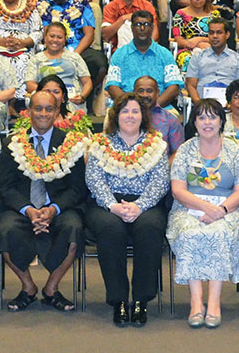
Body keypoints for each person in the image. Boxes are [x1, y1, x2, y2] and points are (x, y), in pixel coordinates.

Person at [0, 88, 88, 313]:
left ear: (57, 112)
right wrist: (28, 209)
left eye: (49, 109)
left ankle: (51, 289)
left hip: (59, 207)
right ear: (29, 112)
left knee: (74, 229)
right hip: (21, 208)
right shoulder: (12, 143)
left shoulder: (70, 143)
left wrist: (53, 209)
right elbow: (6, 188)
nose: (43, 114)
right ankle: (28, 287)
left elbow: (77, 189)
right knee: (4, 229)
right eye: (38, 108)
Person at [85, 93, 170, 327]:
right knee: (110, 229)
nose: (130, 116)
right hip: (107, 204)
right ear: (115, 115)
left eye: (135, 111)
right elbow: (94, 179)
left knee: (150, 228)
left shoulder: (157, 144)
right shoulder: (100, 143)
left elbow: (161, 182)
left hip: (145, 204)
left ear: (143, 116)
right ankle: (119, 300)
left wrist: (139, 206)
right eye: (125, 111)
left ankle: (142, 299)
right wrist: (113, 205)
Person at [167, 98, 239, 328]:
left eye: (212, 117)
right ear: (194, 122)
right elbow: (177, 190)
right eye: (201, 117)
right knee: (190, 233)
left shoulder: (234, 151)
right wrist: (205, 208)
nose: (207, 122)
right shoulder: (184, 150)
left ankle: (214, 302)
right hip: (189, 207)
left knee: (220, 233)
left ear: (221, 121)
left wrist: (221, 210)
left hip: (227, 210)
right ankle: (196, 302)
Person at [103, 9, 183, 100]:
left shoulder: (164, 54)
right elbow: (113, 87)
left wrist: (155, 106)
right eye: (137, 25)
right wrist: (131, 106)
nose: (142, 28)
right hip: (126, 107)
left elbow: (174, 87)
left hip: (160, 107)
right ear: (132, 28)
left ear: (152, 28)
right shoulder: (120, 54)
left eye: (146, 24)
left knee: (173, 115)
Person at [184, 17, 239, 105]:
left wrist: (231, 105)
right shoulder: (197, 57)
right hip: (202, 104)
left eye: (219, 33)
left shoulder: (237, 59)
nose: (214, 36)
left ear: (227, 35)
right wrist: (198, 103)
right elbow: (191, 85)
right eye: (211, 33)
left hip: (229, 106)